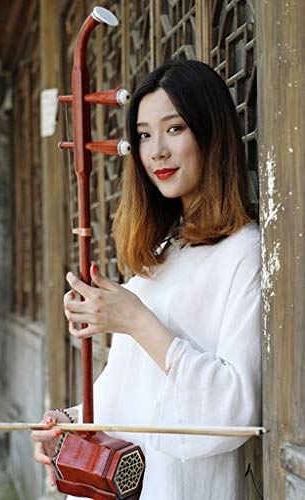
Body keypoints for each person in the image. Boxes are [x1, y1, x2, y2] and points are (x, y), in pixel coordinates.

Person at [31, 59, 261, 500]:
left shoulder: (243, 253)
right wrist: (72, 421)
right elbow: (131, 394)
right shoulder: (162, 253)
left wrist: (136, 320)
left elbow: (235, 409)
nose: (156, 151)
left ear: (211, 133)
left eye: (174, 129)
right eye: (144, 134)